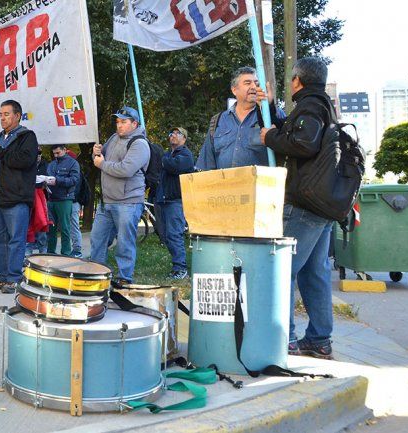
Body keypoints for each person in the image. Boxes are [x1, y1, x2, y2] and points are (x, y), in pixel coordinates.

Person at [261, 57, 336, 360]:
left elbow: (303, 144)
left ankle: (286, 338)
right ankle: (319, 340)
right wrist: (275, 113)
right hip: (324, 204)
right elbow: (302, 134)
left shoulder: (309, 105)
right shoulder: (323, 105)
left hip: (304, 205)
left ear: (298, 80)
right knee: (313, 274)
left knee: (282, 271)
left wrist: (270, 137)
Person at [0, 100, 38, 293]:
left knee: (15, 239)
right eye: (0, 114)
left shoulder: (26, 136)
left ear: (17, 115)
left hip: (15, 197)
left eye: (6, 114)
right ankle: (2, 275)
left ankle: (14, 278)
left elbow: (24, 161)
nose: (2, 118)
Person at [89, 106, 150, 283]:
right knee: (97, 239)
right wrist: (95, 153)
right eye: (117, 122)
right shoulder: (114, 138)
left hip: (128, 202)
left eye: (124, 122)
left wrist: (101, 164)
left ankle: (124, 278)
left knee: (124, 243)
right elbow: (101, 158)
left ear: (134, 123)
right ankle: (96, 275)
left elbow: (126, 170)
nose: (119, 125)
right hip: (107, 201)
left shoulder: (140, 144)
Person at [196, 66, 284, 170]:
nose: (253, 87)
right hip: (224, 185)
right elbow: (207, 164)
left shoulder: (272, 115)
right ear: (234, 90)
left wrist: (269, 108)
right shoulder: (217, 120)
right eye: (247, 83)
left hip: (261, 185)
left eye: (256, 83)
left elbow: (286, 147)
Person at [156, 127, 195, 280]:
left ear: (184, 138)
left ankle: (181, 268)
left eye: (177, 133)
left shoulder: (186, 155)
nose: (173, 135)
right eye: (171, 132)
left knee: (174, 235)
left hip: (176, 201)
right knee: (165, 236)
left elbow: (173, 166)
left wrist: (164, 161)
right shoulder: (167, 155)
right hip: (163, 199)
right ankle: (177, 266)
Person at [46, 144, 79, 256]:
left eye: (58, 153)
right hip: (51, 199)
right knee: (51, 228)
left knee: (65, 227)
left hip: (65, 199)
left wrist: (57, 181)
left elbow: (74, 180)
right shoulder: (52, 164)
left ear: (64, 150)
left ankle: (66, 253)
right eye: (54, 153)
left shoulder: (73, 163)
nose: (56, 155)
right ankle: (50, 252)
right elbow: (48, 177)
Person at [25, 148, 49, 256]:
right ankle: (28, 251)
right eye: (36, 154)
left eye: (39, 154)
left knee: (42, 222)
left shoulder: (46, 166)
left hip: (42, 196)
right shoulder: (27, 165)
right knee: (29, 224)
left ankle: (43, 250)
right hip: (29, 196)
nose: (38, 156)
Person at [66, 149, 86, 258]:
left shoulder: (76, 172)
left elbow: (76, 189)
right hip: (71, 201)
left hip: (73, 202)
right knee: (71, 225)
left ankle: (77, 249)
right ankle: (74, 249)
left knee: (74, 225)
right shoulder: (75, 171)